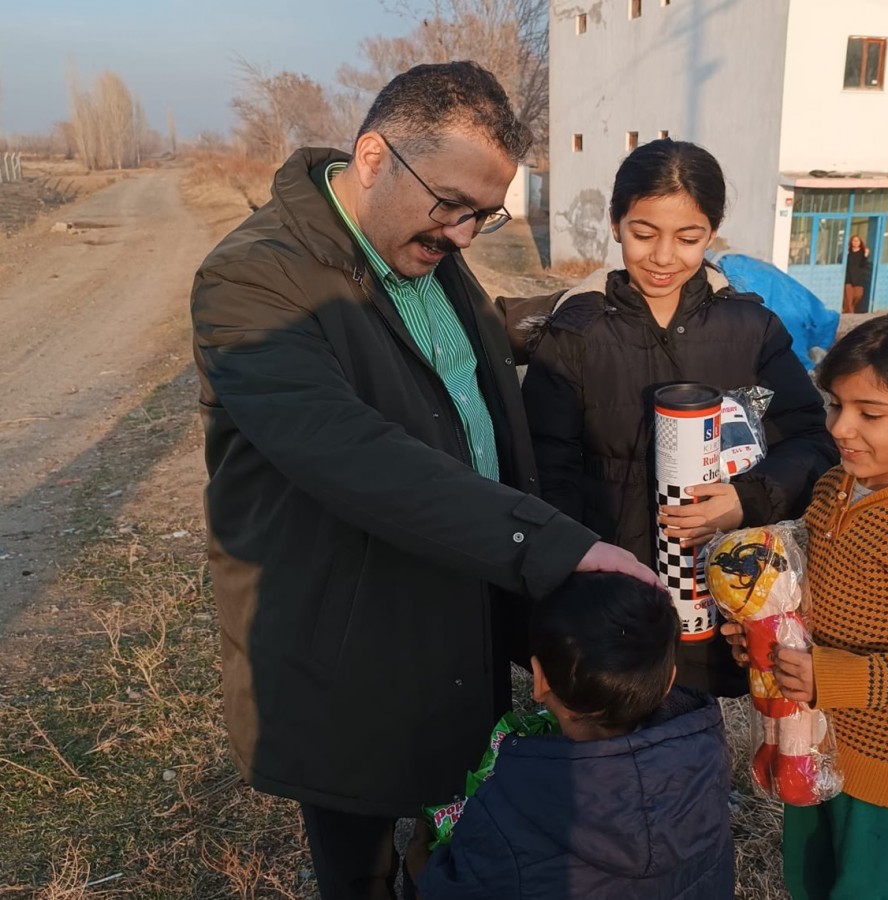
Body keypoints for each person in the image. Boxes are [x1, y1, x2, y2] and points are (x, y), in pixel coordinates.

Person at [190, 61, 657, 900]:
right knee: (359, 858)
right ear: (373, 157)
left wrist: (572, 312)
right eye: (452, 206)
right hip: (347, 645)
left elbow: (455, 343)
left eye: (485, 213)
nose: (465, 235)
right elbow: (353, 453)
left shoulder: (417, 244)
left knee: (454, 842)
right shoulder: (253, 281)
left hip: (453, 601)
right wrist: (552, 545)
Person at [511, 139, 837, 696]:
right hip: (611, 600)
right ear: (616, 225)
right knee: (611, 747)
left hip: (719, 597)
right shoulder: (577, 334)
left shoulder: (752, 330)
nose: (664, 257)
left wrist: (747, 499)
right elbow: (547, 473)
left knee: (690, 749)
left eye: (688, 238)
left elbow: (812, 442)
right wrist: (578, 578)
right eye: (644, 234)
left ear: (712, 234)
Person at [723, 307, 888, 900]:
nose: (841, 428)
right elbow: (805, 598)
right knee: (809, 879)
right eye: (835, 406)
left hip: (887, 766)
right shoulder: (834, 487)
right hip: (810, 737)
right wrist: (767, 638)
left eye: (869, 413)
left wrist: (834, 676)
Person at [414, 572, 736, 899]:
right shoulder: (706, 762)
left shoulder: (507, 809)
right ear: (670, 680)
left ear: (539, 681)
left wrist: (421, 862)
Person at [842, 234, 870, 315]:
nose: (855, 242)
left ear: (860, 242)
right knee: (848, 297)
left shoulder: (863, 252)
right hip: (849, 277)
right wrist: (845, 255)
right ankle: (850, 313)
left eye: (857, 241)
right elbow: (842, 262)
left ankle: (849, 309)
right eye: (854, 241)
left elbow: (864, 265)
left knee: (858, 295)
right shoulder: (848, 252)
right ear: (851, 242)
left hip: (858, 278)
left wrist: (865, 256)